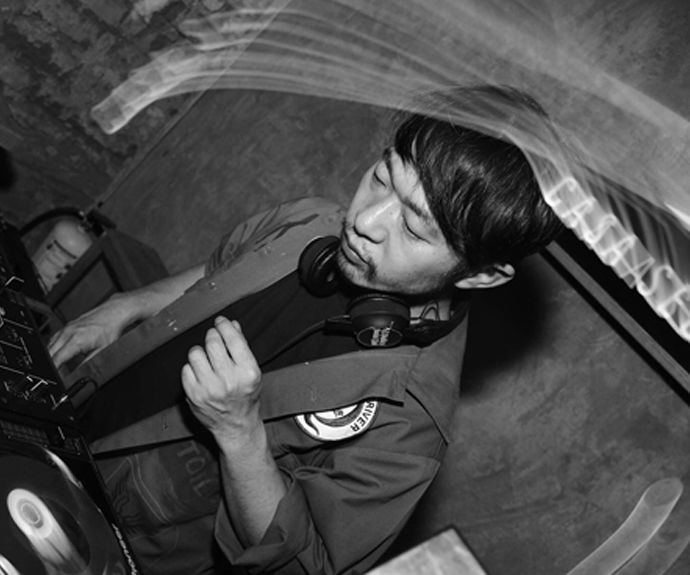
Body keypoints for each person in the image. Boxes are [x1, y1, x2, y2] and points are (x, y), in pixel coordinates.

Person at [49, 85, 568, 574]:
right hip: (69, 423)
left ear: (481, 275)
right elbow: (216, 273)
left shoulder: (410, 424)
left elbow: (303, 564)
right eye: (382, 178)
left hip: (110, 545)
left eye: (413, 227)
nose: (365, 220)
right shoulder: (310, 220)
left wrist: (239, 431)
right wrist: (128, 304)